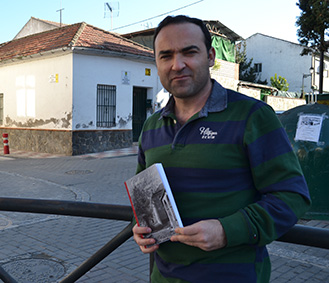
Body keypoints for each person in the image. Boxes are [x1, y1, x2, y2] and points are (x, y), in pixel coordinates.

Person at [132, 15, 311, 283]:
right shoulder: (150, 126)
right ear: (156, 63)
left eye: (189, 52)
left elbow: (292, 197)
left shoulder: (253, 116)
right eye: (165, 56)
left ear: (211, 56)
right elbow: (143, 200)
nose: (177, 65)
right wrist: (140, 228)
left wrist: (226, 230)